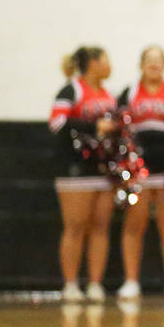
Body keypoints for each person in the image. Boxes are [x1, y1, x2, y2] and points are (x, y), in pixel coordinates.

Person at [115, 45, 164, 302]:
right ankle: (130, 281)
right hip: (139, 169)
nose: (154, 65)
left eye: (159, 60)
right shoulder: (129, 92)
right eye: (149, 60)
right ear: (141, 64)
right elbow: (119, 130)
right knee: (134, 223)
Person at [50, 46, 117, 302]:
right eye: (106, 60)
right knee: (75, 227)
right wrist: (94, 125)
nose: (110, 65)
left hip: (103, 168)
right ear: (93, 64)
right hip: (75, 169)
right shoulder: (71, 90)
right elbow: (57, 122)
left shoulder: (109, 95)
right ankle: (70, 284)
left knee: (101, 227)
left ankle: (95, 284)